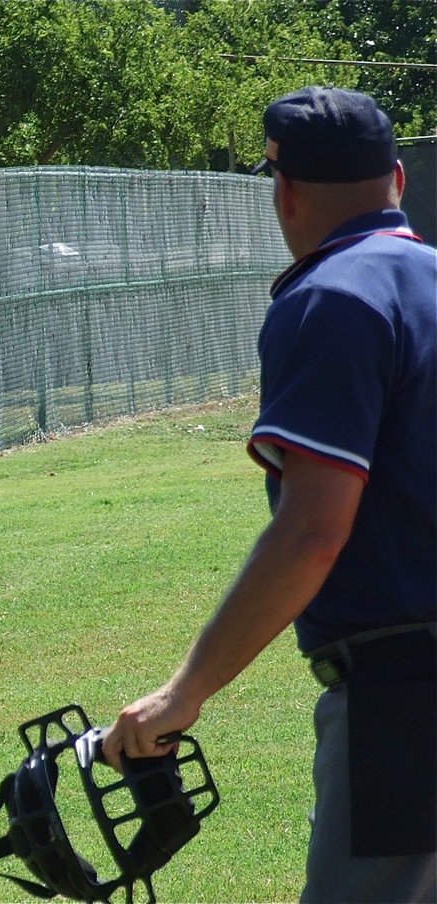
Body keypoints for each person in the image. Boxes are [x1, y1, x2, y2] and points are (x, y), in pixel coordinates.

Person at [101, 86, 436, 901]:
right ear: (396, 179)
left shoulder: (332, 296)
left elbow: (313, 532)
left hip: (409, 699)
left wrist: (186, 693)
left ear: (283, 193)